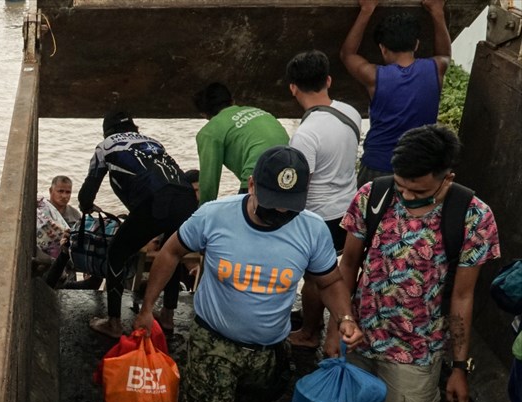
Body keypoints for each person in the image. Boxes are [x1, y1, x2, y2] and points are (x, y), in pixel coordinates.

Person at [135, 146, 364, 402]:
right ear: (252, 185)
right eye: (270, 205)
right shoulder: (214, 216)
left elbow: (327, 280)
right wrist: (147, 307)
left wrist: (344, 318)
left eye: (287, 208)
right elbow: (172, 251)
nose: (278, 216)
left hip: (269, 354)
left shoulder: (310, 230)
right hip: (213, 346)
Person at [316, 124, 500, 402]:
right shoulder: (373, 196)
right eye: (401, 185)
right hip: (360, 334)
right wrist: (337, 324)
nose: (407, 196)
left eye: (418, 190)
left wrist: (459, 366)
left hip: (418, 351)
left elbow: (462, 296)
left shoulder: (473, 215)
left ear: (446, 176)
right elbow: (348, 264)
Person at [78, 112, 198, 338]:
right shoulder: (153, 142)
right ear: (135, 128)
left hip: (155, 201)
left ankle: (113, 323)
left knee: (117, 252)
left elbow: (87, 193)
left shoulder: (105, 147)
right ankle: (168, 316)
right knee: (172, 252)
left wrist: (87, 205)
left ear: (106, 132)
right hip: (186, 198)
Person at [283, 50, 364, 351]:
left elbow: (299, 186)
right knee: (335, 272)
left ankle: (308, 332)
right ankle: (328, 324)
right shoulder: (351, 113)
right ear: (328, 80)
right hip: (349, 208)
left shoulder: (305, 134)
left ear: (293, 87)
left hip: (321, 216)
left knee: (315, 279)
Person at [341, 0, 451, 185]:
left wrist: (367, 10)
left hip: (379, 166)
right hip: (420, 166)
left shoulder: (375, 77)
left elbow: (347, 54)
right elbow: (445, 53)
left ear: (382, 48)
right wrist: (437, 11)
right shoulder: (436, 68)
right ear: (416, 44)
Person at [192, 82, 289, 204]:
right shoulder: (258, 111)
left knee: (238, 221)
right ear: (232, 101)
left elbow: (208, 184)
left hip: (257, 178)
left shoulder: (210, 131)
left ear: (204, 114)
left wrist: (202, 217)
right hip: (290, 173)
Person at [35, 175, 83, 286]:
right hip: (47, 266)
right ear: (51, 191)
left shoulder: (74, 215)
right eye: (60, 191)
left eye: (68, 192)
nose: (64, 196)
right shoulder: (41, 212)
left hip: (68, 267)